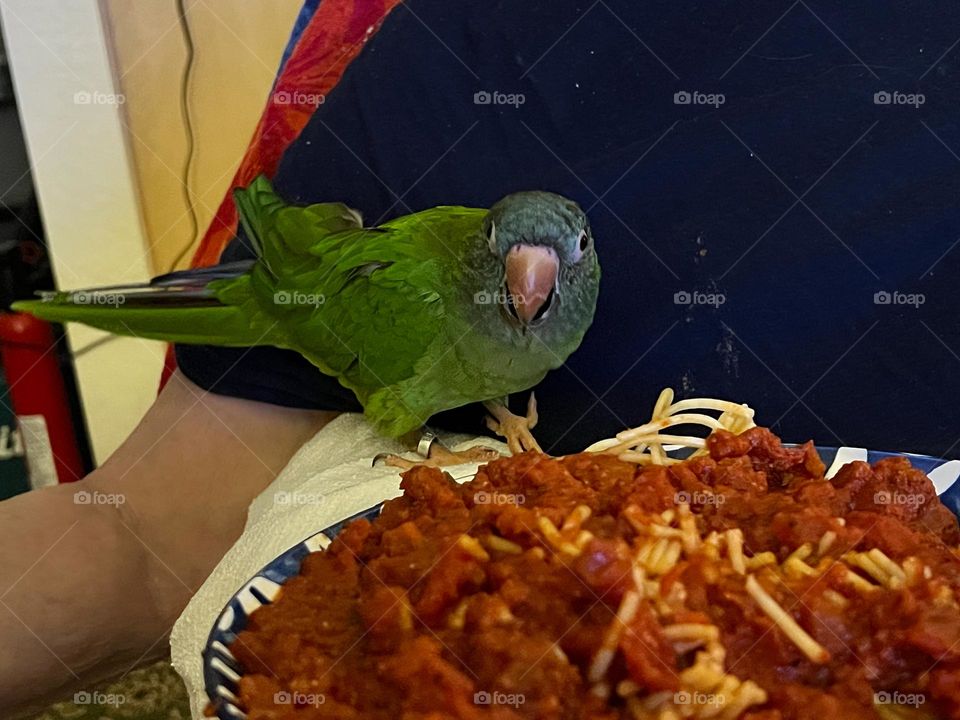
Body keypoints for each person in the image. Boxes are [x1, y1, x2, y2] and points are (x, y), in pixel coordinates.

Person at [3, 0, 960, 714]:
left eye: (560, 262)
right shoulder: (471, 38)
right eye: (512, 261)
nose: (530, 287)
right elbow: (145, 534)